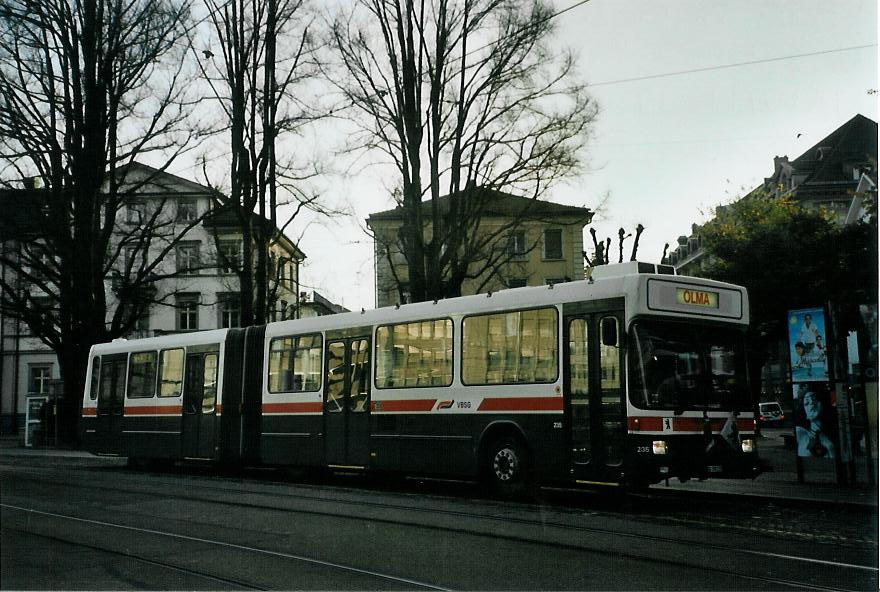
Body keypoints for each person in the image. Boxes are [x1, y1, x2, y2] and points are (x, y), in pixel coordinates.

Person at [795, 386, 835, 459]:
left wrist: (829, 446)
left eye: (814, 399)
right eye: (807, 403)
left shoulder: (835, 432)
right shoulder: (800, 433)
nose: (811, 403)